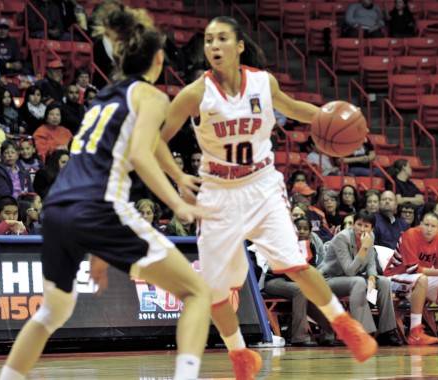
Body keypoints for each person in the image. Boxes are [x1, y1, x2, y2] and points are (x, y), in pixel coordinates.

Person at [0, 7, 210, 380]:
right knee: (197, 293)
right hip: (98, 207)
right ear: (159, 59)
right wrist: (178, 201)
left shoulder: (105, 98)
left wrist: (177, 174)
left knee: (55, 312)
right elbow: (144, 153)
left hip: (58, 209)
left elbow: (147, 144)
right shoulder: (152, 97)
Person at [161, 15, 377, 379]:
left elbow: (297, 110)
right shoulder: (196, 93)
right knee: (214, 290)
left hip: (261, 185)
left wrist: (340, 120)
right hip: (217, 194)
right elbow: (157, 139)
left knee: (293, 264)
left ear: (240, 45)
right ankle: (240, 354)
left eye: (222, 39)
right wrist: (179, 175)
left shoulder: (262, 82)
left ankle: (344, 325)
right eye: (209, 40)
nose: (214, 46)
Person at [321, 209, 403, 346]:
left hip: (351, 280)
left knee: (383, 282)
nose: (361, 229)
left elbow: (371, 264)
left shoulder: (370, 237)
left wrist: (371, 277)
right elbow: (350, 271)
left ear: (372, 228)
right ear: (353, 224)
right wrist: (364, 248)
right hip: (329, 280)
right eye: (359, 224)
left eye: (366, 226)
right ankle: (363, 333)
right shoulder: (342, 238)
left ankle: (386, 332)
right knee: (358, 281)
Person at [384, 212, 438, 345]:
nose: (429, 229)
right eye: (426, 225)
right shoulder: (410, 235)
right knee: (422, 279)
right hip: (394, 277)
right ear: (420, 225)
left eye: (433, 226)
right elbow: (412, 269)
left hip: (418, 278)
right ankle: (415, 332)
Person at [264, 217, 334, 347]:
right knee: (301, 289)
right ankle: (299, 336)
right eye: (298, 229)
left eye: (305, 229)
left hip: (297, 283)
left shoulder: (311, 246)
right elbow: (287, 273)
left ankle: (328, 332)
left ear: (310, 232)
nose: (301, 231)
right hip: (274, 281)